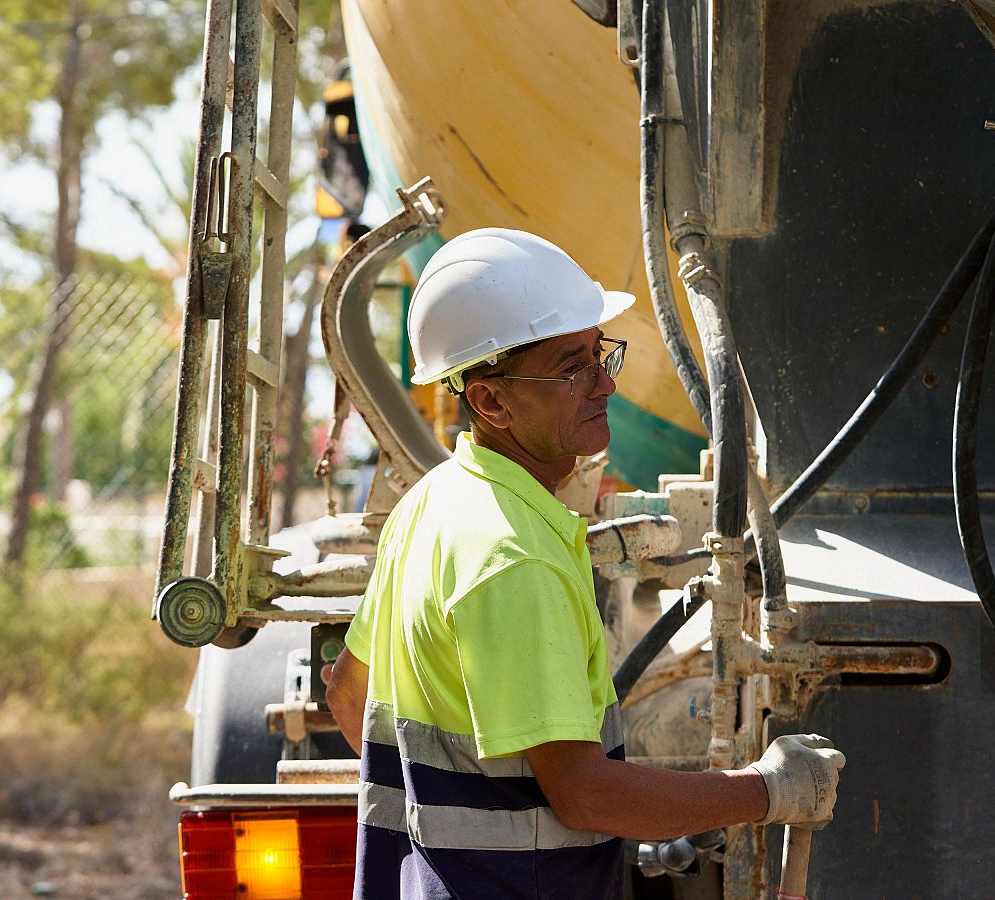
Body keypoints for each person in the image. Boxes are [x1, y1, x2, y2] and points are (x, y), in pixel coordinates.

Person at [324, 228, 845, 899]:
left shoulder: (429, 506)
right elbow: (584, 796)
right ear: (491, 400)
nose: (604, 383)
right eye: (572, 367)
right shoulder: (512, 557)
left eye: (600, 356)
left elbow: (347, 693)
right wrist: (766, 791)